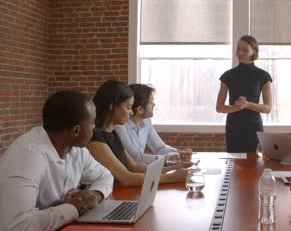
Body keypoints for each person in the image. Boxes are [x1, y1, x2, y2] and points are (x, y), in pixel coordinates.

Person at [0, 91, 114, 231]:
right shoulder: (28, 156)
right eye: (92, 122)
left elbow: (106, 176)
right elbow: (15, 226)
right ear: (76, 131)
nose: (94, 127)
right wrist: (73, 208)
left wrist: (95, 194)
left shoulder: (76, 150)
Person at [86, 80, 186, 187]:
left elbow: (134, 166)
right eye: (128, 107)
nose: (132, 112)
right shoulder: (96, 139)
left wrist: (173, 168)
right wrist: (173, 177)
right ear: (112, 106)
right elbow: (126, 178)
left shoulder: (113, 134)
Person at [216, 35, 272, 153]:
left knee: (256, 164)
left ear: (254, 52)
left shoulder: (263, 76)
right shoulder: (227, 76)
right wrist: (235, 107)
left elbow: (268, 108)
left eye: (245, 49)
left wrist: (247, 104)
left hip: (254, 127)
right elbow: (219, 108)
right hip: (233, 128)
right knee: (235, 166)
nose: (240, 52)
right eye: (238, 49)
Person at [115, 83, 177, 164]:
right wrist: (169, 159)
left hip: (138, 170)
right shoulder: (119, 125)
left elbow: (160, 148)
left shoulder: (147, 121)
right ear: (140, 109)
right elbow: (136, 157)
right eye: (151, 102)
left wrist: (179, 153)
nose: (154, 104)